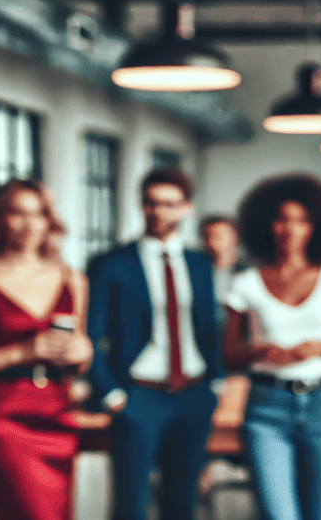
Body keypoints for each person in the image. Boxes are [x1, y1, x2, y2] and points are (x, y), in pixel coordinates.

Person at [222, 174, 321, 520]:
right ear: (267, 225)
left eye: (301, 220)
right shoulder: (246, 283)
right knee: (279, 515)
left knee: (320, 514)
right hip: (266, 408)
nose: (290, 228)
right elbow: (229, 355)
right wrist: (260, 351)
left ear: (316, 226)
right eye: (282, 219)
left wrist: (320, 348)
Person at [86, 168, 223, 520]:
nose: (157, 212)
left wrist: (215, 385)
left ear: (186, 208)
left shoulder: (199, 264)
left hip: (193, 395)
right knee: (130, 505)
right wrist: (112, 395)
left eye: (168, 204)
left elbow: (209, 328)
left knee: (182, 503)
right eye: (150, 203)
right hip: (138, 396)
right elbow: (90, 335)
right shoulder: (110, 264)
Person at [0, 179, 93, 520]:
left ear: (50, 221)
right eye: (17, 213)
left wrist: (82, 354)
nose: (29, 224)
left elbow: (78, 358)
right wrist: (23, 351)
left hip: (58, 410)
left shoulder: (73, 279)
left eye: (39, 214)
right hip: (3, 417)